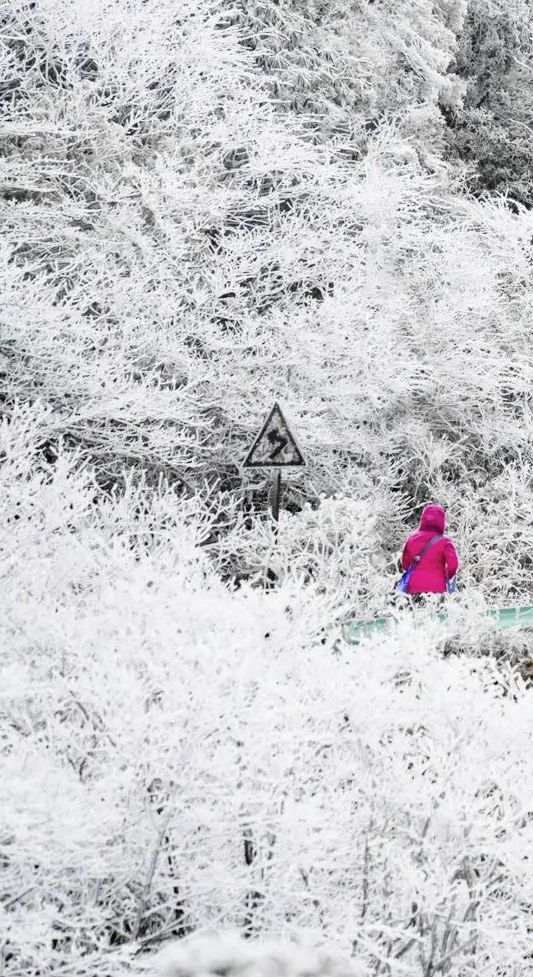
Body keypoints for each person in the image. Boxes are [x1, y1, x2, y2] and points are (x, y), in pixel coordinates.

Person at [400, 503, 459, 596]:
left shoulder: (412, 539)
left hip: (414, 587)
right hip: (437, 589)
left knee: (415, 610)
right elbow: (453, 564)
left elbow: (405, 564)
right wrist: (447, 576)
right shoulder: (445, 541)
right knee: (436, 610)